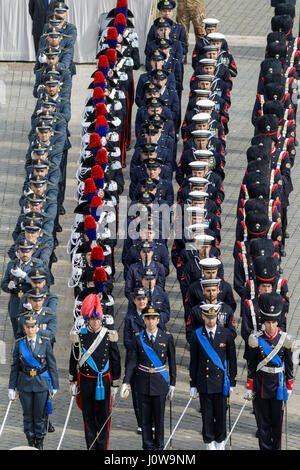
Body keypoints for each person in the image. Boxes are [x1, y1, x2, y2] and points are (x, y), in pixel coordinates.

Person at [69, 294, 121, 450]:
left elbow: (116, 359)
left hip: (103, 382)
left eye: (98, 319)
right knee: (88, 418)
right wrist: (72, 380)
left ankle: (103, 447)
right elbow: (74, 359)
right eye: (93, 319)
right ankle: (91, 447)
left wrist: (115, 383)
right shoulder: (80, 336)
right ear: (87, 320)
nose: (96, 322)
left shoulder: (108, 336)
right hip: (86, 382)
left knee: (104, 418)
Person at [120, 305, 176, 450]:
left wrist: (173, 383)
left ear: (158, 320)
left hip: (160, 383)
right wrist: (126, 382)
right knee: (145, 420)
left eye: (153, 318)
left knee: (159, 420)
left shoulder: (167, 337)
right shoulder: (138, 338)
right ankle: (147, 447)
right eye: (147, 319)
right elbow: (132, 362)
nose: (150, 321)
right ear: (144, 320)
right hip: (143, 383)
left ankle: (159, 447)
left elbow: (173, 362)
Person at [246, 293, 294, 450]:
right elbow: (252, 364)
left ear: (277, 322)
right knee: (262, 424)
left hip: (278, 386)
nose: (271, 326)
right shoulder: (255, 339)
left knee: (277, 423)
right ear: (263, 322)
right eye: (268, 322)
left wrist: (289, 384)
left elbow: (289, 365)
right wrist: (249, 385)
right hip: (261, 385)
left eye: (273, 322)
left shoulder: (285, 339)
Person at [189, 304, 237, 450]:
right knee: (207, 415)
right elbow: (194, 362)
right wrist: (193, 384)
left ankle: (220, 441)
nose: (211, 320)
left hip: (221, 383)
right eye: (208, 317)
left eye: (213, 317)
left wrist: (233, 381)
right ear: (203, 316)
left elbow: (232, 359)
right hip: (204, 382)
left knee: (221, 414)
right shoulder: (197, 335)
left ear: (217, 316)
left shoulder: (226, 334)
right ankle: (209, 442)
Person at [8, 314, 59, 449]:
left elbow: (52, 364)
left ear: (37, 327)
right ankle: (30, 440)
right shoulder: (20, 344)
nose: (30, 330)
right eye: (27, 327)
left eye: (33, 327)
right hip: (24, 384)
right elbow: (15, 367)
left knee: (40, 415)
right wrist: (11, 387)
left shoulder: (45, 342)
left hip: (41, 383)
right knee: (27, 415)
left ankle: (39, 441)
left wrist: (55, 384)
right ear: (24, 328)